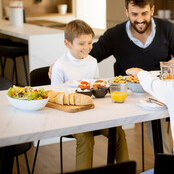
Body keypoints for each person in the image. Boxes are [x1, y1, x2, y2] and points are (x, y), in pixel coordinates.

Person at [89, 0, 174, 153]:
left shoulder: (167, 29)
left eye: (144, 13)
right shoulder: (114, 35)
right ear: (126, 12)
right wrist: (63, 62)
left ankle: (167, 162)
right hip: (127, 96)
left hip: (157, 92)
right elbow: (89, 57)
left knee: (158, 114)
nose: (140, 20)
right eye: (134, 14)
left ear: (152, 10)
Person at [51, 19, 129, 170]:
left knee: (117, 132)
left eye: (90, 43)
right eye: (81, 43)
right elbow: (56, 99)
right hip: (70, 116)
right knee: (86, 138)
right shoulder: (60, 66)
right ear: (67, 44)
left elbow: (94, 89)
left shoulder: (92, 62)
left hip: (92, 113)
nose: (87, 47)